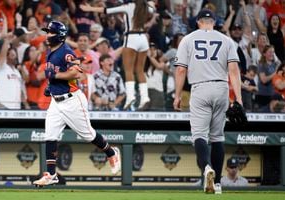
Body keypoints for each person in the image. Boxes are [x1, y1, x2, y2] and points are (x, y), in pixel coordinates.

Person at [33, 21, 121, 187]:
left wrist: (56, 76)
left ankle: (111, 152)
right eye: (47, 32)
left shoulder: (66, 51)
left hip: (72, 100)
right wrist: (51, 86)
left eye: (50, 32)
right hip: (56, 101)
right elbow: (54, 75)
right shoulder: (50, 52)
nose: (47, 35)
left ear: (59, 35)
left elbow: (76, 72)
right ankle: (51, 174)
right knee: (50, 136)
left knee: (88, 135)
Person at [173, 9, 242, 194]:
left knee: (199, 136)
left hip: (200, 88)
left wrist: (177, 96)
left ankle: (206, 169)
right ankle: (218, 183)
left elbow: (180, 70)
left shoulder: (188, 39)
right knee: (218, 137)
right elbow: (234, 71)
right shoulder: (226, 40)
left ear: (198, 22)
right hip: (221, 89)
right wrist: (239, 100)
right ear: (214, 22)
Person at [80, 0, 156, 110]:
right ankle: (145, 98)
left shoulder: (129, 6)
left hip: (131, 37)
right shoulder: (147, 7)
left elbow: (107, 10)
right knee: (140, 70)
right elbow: (153, 10)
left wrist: (90, 9)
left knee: (128, 70)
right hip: (143, 38)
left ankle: (130, 97)